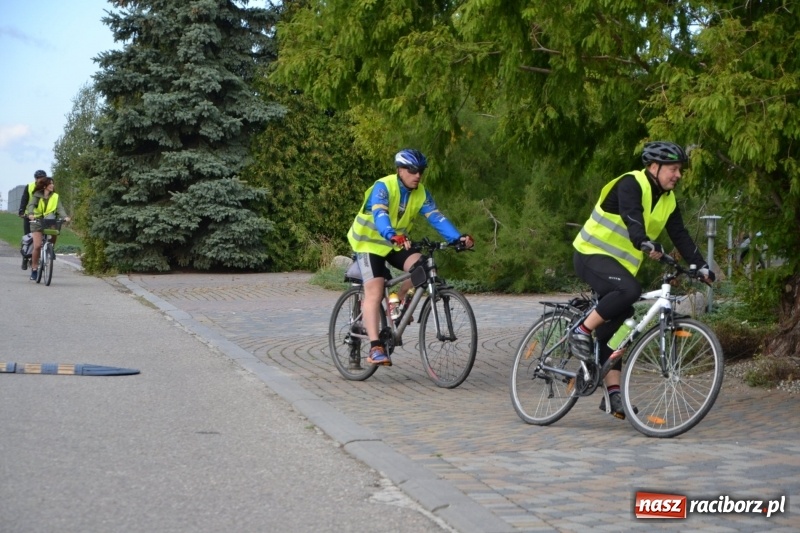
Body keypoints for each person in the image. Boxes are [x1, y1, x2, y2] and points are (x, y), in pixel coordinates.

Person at [570, 141, 715, 419]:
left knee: (623, 322)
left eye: (679, 170)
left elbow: (680, 236)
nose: (678, 175)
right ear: (654, 167)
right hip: (590, 253)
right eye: (673, 169)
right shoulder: (631, 183)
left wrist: (701, 266)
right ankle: (581, 331)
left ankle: (612, 395)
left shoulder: (668, 200)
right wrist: (644, 242)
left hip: (615, 268)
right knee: (630, 290)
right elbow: (631, 216)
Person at [348, 149, 474, 366]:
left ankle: (399, 300)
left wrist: (457, 238)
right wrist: (391, 234)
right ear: (400, 170)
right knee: (375, 290)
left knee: (422, 266)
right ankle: (375, 347)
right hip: (369, 243)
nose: (418, 175)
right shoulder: (383, 186)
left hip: (395, 243)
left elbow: (436, 217)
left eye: (421, 171)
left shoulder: (420, 192)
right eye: (413, 170)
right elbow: (380, 215)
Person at [26, 177, 71, 281]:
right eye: (50, 184)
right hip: (37, 221)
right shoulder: (36, 195)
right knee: (37, 246)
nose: (52, 185)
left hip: (49, 221)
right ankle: (34, 268)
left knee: (55, 231)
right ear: (45, 186)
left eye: (53, 184)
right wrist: (31, 214)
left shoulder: (55, 196)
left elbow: (60, 208)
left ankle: (50, 249)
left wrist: (65, 217)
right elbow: (31, 205)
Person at [18, 170, 49, 269]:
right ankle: (25, 257)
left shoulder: (48, 187)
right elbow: (25, 199)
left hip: (43, 216)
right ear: (36, 179)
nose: (41, 180)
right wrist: (21, 211)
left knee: (43, 237)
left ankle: (40, 257)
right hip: (29, 215)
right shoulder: (30, 186)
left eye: (43, 178)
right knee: (28, 237)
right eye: (39, 178)